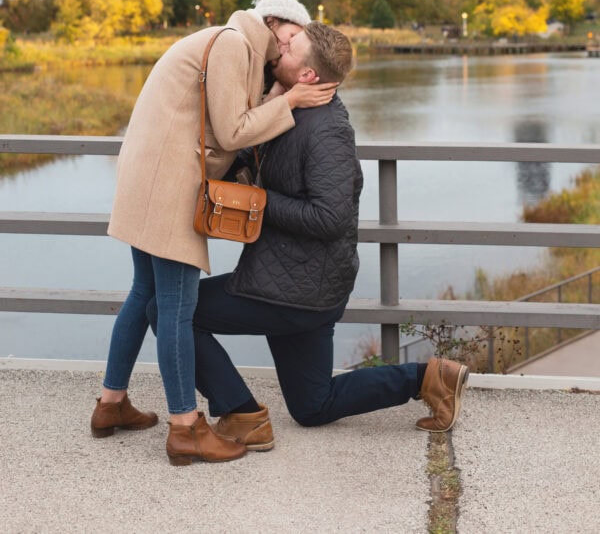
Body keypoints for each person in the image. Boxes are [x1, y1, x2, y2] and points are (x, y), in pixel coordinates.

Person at [184, 22, 469, 450]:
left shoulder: (327, 130)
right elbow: (245, 148)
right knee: (312, 407)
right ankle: (429, 378)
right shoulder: (294, 108)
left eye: (290, 44)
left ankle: (241, 414)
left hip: (292, 291)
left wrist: (257, 198)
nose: (280, 44)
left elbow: (329, 217)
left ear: (308, 75)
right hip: (302, 283)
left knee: (173, 314)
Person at [90, 0, 338, 466]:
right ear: (272, 22)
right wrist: (293, 101)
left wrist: (273, 96)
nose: (289, 48)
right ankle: (185, 428)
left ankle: (111, 403)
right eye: (289, 36)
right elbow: (231, 132)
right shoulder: (232, 45)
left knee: (144, 293)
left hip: (152, 175)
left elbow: (233, 115)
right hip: (169, 184)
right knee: (177, 309)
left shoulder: (236, 45)